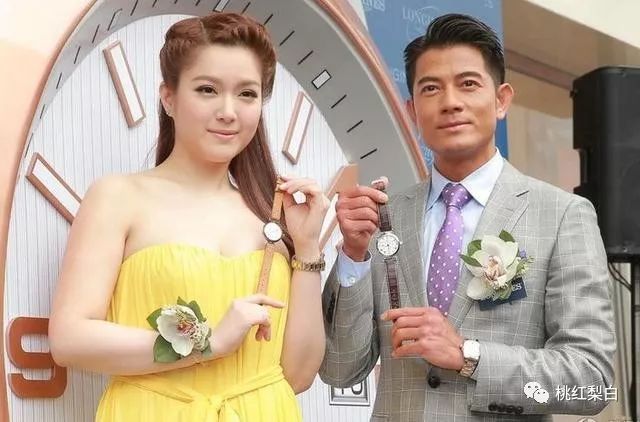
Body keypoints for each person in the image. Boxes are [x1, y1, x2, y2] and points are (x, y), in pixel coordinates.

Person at [319, 13, 615, 421]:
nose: (450, 102)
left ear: (501, 100)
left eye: (468, 84)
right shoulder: (383, 219)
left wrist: (468, 354)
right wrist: (353, 257)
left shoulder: (562, 216)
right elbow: (339, 370)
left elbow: (591, 381)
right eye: (431, 88)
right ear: (412, 111)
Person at [48, 13, 328, 421]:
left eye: (247, 94)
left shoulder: (272, 213)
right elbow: (69, 338)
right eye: (207, 90)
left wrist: (307, 248)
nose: (228, 111)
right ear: (169, 98)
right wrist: (206, 343)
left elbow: (298, 375)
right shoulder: (119, 196)